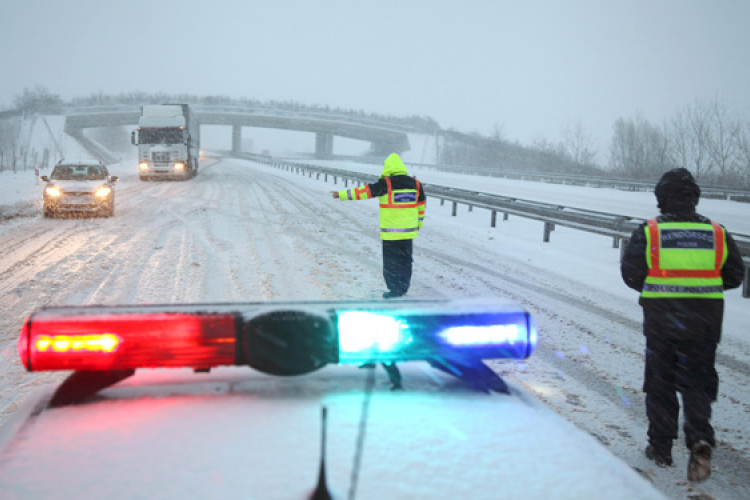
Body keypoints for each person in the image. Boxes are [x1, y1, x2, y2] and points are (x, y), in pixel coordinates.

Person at [621, 168, 745, 482]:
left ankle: (661, 448)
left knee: (660, 384)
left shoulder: (650, 231)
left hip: (662, 323)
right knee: (697, 384)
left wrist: (660, 291)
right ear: (694, 199)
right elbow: (734, 275)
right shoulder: (717, 232)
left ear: (662, 198)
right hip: (704, 325)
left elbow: (631, 273)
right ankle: (700, 437)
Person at [331, 153, 426, 298]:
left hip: (391, 233)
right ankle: (403, 288)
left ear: (387, 167)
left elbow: (364, 192)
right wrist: (418, 224)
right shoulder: (416, 184)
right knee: (406, 261)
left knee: (391, 262)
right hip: (408, 232)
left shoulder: (386, 184)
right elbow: (421, 206)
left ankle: (394, 290)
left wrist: (342, 194)